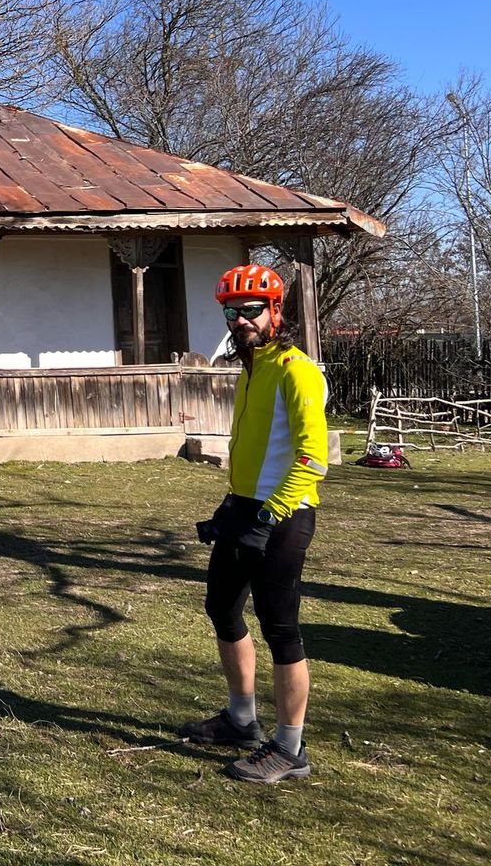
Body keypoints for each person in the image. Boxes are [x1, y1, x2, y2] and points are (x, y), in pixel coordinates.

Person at [182, 264, 329, 783]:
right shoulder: (250, 366)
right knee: (221, 607)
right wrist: (236, 505)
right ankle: (241, 719)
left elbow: (313, 457)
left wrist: (271, 510)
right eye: (232, 311)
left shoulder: (296, 369)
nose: (241, 319)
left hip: (282, 516)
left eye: (251, 309)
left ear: (275, 311)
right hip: (243, 507)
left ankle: (290, 748)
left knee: (281, 628)